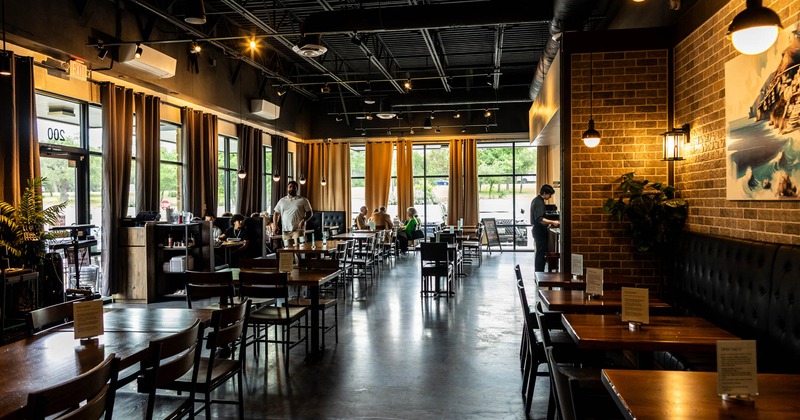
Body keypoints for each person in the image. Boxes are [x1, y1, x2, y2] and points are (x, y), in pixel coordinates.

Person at [273, 180, 313, 247]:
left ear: (297, 189)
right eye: (290, 187)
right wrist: (275, 225)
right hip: (285, 231)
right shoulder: (282, 201)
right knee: (288, 251)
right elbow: (276, 213)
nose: (292, 188)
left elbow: (310, 213)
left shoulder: (303, 200)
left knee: (297, 250)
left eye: (294, 187)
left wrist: (303, 220)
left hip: (298, 230)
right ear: (287, 188)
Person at [531, 184, 559, 272]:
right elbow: (540, 219)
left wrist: (548, 224)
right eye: (549, 194)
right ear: (544, 193)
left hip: (538, 230)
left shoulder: (536, 200)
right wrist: (553, 222)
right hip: (539, 231)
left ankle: (539, 272)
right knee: (541, 253)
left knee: (540, 252)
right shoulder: (539, 202)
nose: (550, 197)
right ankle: (539, 273)